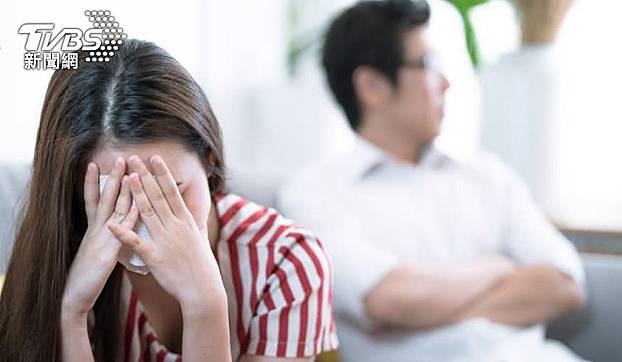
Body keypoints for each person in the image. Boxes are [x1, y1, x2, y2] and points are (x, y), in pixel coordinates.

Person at [277, 1, 585, 361]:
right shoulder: (315, 192)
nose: (447, 82)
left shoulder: (487, 175)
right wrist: (498, 267)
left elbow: (565, 284)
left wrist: (424, 311)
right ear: (372, 85)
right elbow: (388, 300)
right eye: (428, 65)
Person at [0, 39, 338, 361]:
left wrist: (204, 304)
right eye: (118, 200)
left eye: (169, 193)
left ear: (209, 158)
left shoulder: (285, 261)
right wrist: (71, 313)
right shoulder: (61, 256)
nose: (145, 223)